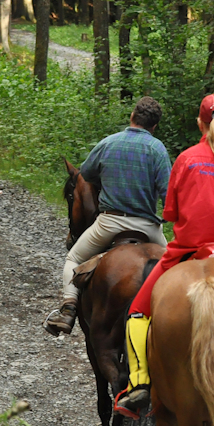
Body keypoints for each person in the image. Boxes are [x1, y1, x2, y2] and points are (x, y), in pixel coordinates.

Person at [115, 93, 214, 418]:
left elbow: (170, 214)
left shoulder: (185, 160)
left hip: (185, 254)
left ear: (200, 122)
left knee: (137, 314)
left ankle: (140, 384)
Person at [43, 96, 172, 336]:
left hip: (110, 222)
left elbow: (87, 173)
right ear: (154, 126)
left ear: (132, 116)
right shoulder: (158, 150)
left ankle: (68, 308)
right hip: (148, 227)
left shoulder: (109, 143)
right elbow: (168, 195)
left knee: (73, 259)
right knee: (177, 269)